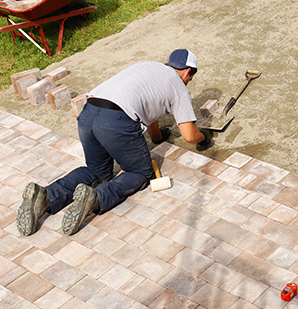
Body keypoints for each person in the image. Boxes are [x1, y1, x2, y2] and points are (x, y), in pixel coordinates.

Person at [16, 49, 211, 236]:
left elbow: (148, 110)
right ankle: (96, 197)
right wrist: (205, 137)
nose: (188, 82)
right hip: (115, 121)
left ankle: (46, 195)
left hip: (88, 112)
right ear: (187, 72)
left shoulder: (149, 67)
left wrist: (158, 137)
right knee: (140, 172)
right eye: (190, 78)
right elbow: (190, 136)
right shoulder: (178, 87)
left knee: (96, 171)